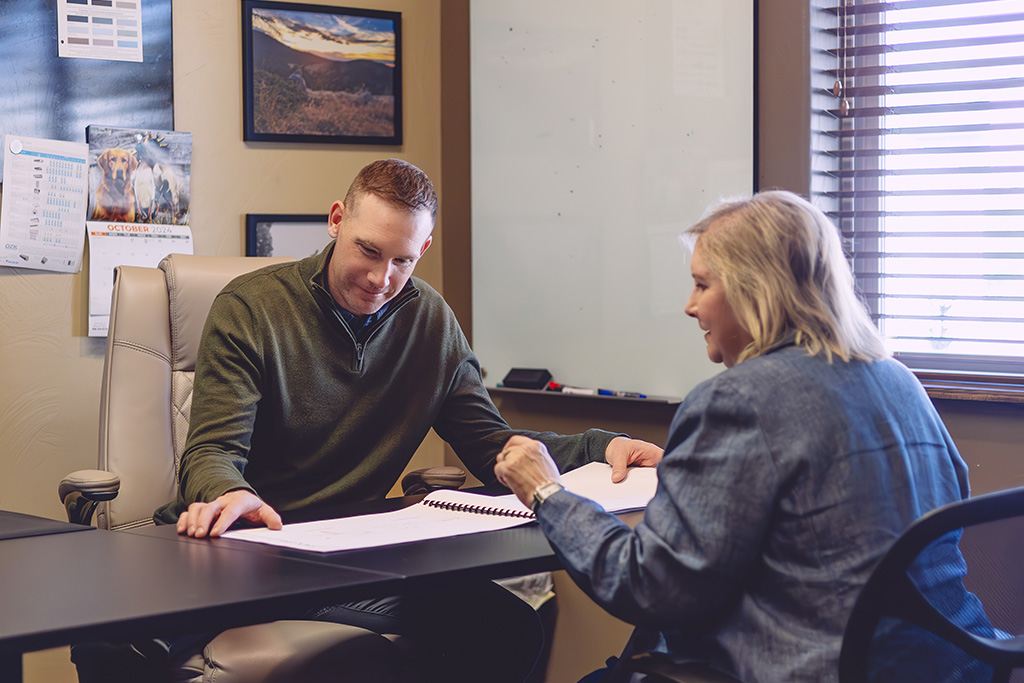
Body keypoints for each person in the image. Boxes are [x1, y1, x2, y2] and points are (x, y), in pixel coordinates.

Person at [149, 158, 663, 683]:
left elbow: (491, 444)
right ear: (336, 220)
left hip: (349, 554)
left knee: (508, 628)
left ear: (425, 250)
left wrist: (603, 446)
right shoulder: (252, 307)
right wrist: (228, 494)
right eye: (368, 250)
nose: (380, 278)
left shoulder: (429, 321)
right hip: (251, 551)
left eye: (402, 261)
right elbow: (212, 451)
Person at [494, 190, 995, 682]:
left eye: (702, 285)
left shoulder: (737, 400)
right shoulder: (896, 379)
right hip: (953, 663)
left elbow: (646, 587)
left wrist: (547, 492)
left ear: (756, 288)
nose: (690, 307)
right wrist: (696, 466)